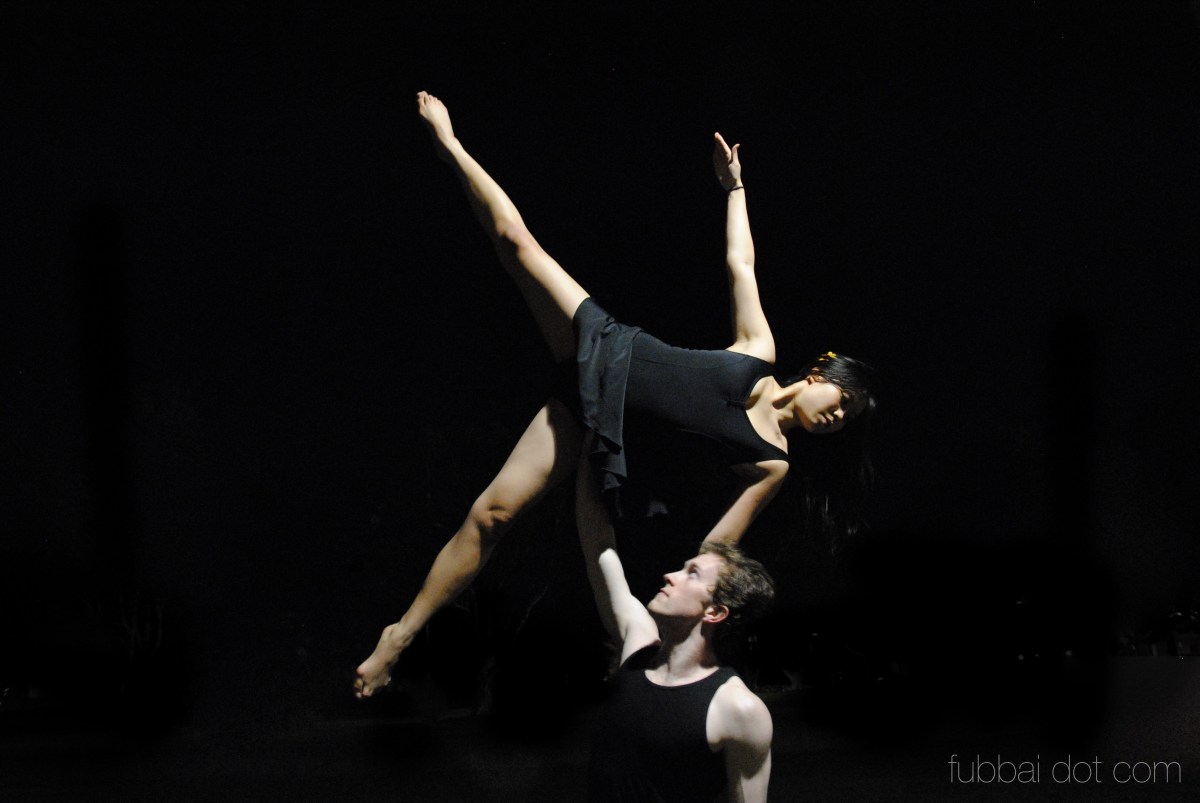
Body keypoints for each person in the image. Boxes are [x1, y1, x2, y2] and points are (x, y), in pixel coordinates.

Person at [355, 91, 874, 697]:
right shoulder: (758, 349)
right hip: (610, 347)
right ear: (820, 375)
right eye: (842, 401)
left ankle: (401, 637)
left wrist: (693, 609)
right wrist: (735, 189)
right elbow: (742, 263)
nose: (838, 417)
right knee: (516, 242)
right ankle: (450, 145)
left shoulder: (772, 463)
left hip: (599, 424)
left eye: (845, 420)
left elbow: (716, 545)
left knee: (494, 515)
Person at [579, 443, 775, 802]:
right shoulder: (637, 647)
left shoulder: (738, 709)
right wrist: (590, 445)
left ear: (715, 612)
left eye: (692, 573)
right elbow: (598, 546)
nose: (670, 575)